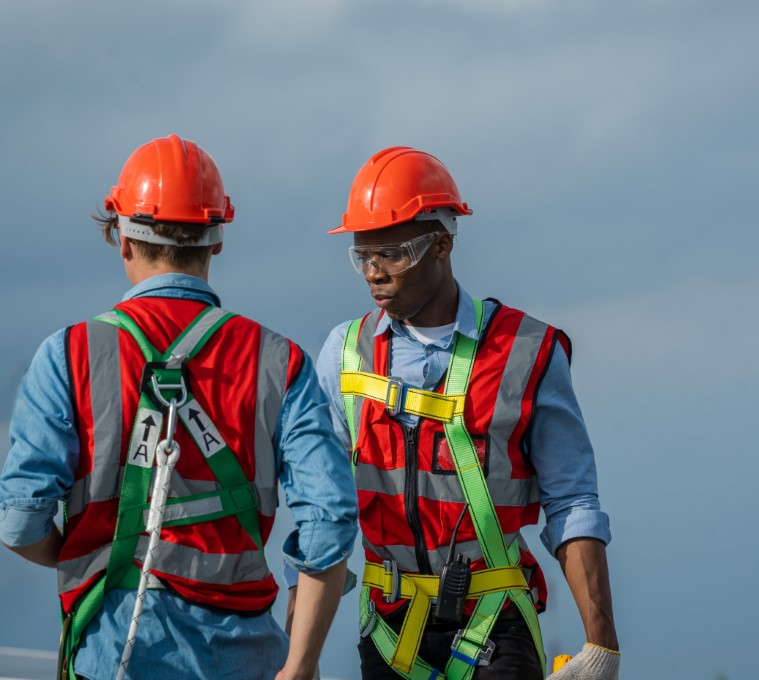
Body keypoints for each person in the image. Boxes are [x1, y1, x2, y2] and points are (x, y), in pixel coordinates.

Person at [0, 134, 358, 680]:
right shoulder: (279, 361)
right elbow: (329, 520)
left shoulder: (68, 355)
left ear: (123, 240)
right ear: (217, 241)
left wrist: (88, 559)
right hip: (245, 657)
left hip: (112, 654)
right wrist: (300, 665)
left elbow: (21, 521)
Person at [313, 146, 620, 679]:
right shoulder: (345, 354)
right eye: (362, 256)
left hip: (495, 626)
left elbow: (572, 500)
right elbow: (321, 506)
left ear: (442, 244)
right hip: (389, 633)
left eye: (392, 254)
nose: (374, 273)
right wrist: (300, 651)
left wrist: (602, 646)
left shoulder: (527, 351)